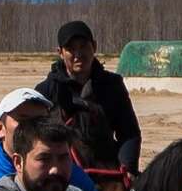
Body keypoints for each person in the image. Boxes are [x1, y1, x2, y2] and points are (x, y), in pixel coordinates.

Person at [37, 20, 142, 173]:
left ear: (94, 46)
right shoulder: (47, 90)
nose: (78, 54)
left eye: (83, 46)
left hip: (106, 172)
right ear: (60, 52)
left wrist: (127, 169)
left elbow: (129, 133)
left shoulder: (112, 85)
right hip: (61, 172)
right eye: (71, 49)